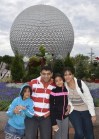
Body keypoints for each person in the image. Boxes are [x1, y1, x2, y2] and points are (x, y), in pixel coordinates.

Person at [63, 67, 96, 139]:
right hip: (73, 110)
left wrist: (93, 114)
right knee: (79, 133)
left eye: (69, 74)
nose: (67, 76)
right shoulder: (64, 85)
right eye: (65, 75)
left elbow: (89, 98)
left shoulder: (80, 83)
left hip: (85, 109)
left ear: (73, 75)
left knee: (89, 134)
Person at [25, 66, 56, 139]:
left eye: (48, 74)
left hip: (46, 116)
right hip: (32, 116)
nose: (46, 76)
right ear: (40, 73)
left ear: (51, 74)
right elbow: (24, 96)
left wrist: (49, 113)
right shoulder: (33, 82)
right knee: (30, 137)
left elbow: (57, 101)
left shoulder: (54, 85)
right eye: (44, 74)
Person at [50, 73, 70, 139]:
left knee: (65, 136)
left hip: (65, 117)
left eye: (60, 80)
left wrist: (69, 106)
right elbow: (51, 107)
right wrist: (53, 122)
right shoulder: (53, 91)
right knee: (58, 136)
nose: (59, 82)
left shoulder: (67, 90)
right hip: (56, 118)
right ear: (54, 82)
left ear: (63, 80)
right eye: (56, 81)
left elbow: (70, 101)